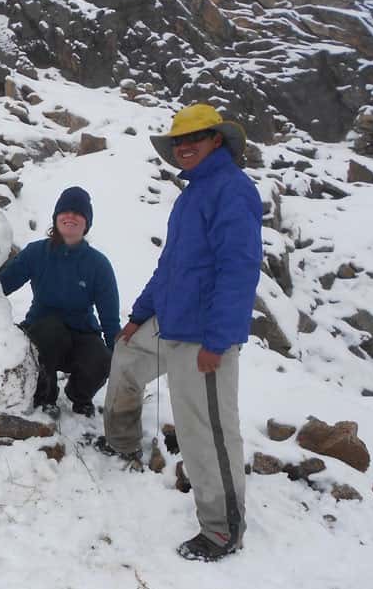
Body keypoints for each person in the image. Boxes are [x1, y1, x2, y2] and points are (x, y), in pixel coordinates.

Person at [101, 103, 262, 562]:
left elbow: (239, 269)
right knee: (127, 357)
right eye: (178, 141)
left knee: (206, 430)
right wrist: (139, 316)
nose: (184, 146)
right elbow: (170, 267)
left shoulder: (232, 191)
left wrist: (218, 341)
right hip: (169, 321)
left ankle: (221, 530)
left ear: (217, 140)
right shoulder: (191, 197)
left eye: (195, 138)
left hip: (202, 335)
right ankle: (121, 442)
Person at [0, 187, 121, 417]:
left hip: (81, 335)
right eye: (65, 211)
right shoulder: (37, 253)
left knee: (102, 358)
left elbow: (110, 317)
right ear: (56, 218)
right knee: (50, 329)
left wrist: (119, 356)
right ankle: (45, 393)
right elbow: (0, 285)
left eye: (78, 212)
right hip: (43, 335)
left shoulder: (98, 265)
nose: (70, 216)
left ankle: (79, 394)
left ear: (87, 223)